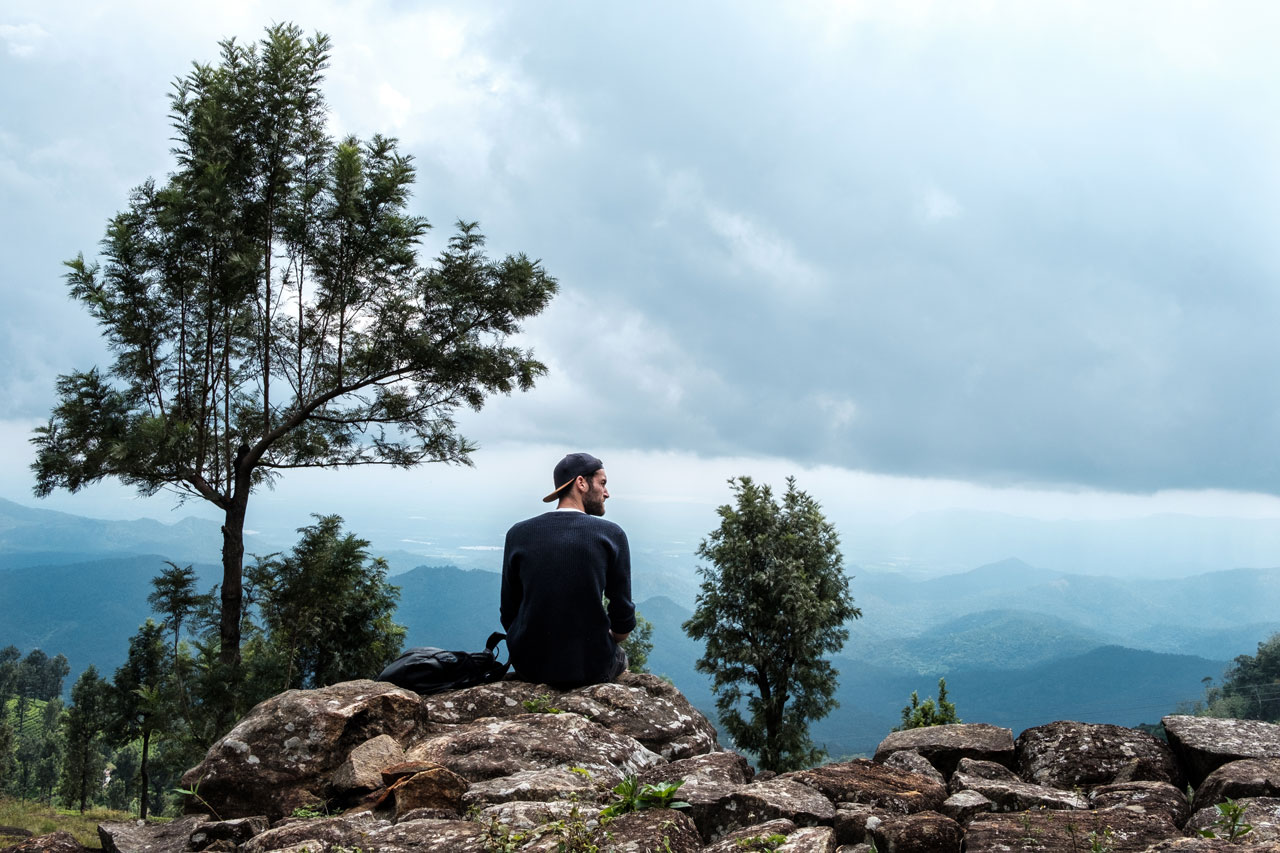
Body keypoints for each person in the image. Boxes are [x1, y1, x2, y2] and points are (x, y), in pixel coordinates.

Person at [500, 452, 635, 687]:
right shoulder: (611, 535)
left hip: (529, 665)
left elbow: (509, 613)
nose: (607, 493)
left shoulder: (518, 534)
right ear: (581, 483)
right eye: (602, 483)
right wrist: (611, 637)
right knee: (621, 659)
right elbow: (622, 619)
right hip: (590, 667)